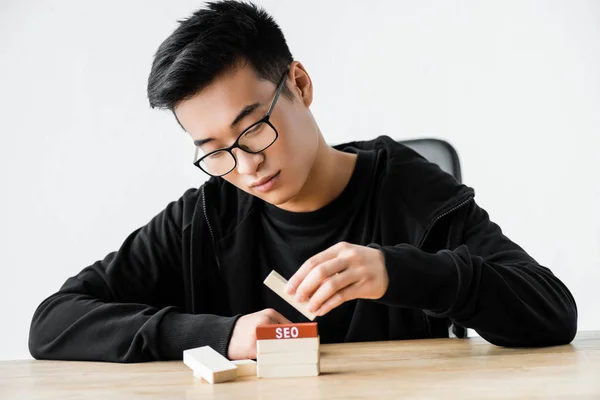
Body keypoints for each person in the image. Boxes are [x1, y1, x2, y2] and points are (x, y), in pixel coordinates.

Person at [28, 0, 577, 363]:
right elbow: (53, 324)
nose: (245, 167)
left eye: (255, 130)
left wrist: (399, 271)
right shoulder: (207, 216)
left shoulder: (408, 192)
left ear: (299, 83)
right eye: (215, 151)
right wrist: (222, 336)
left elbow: (553, 312)